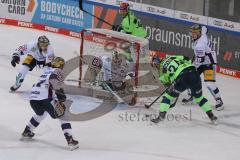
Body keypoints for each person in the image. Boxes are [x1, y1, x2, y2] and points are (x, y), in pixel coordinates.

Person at [21, 57, 79, 150]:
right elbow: (53, 82)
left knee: (41, 114)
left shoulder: (46, 72)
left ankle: (27, 130)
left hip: (33, 100)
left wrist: (59, 91)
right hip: (45, 99)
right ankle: (70, 140)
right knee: (63, 115)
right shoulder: (57, 72)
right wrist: (60, 94)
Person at [150, 55, 218, 124]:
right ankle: (211, 116)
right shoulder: (172, 57)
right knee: (199, 98)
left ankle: (161, 117)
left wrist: (173, 83)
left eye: (155, 65)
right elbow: (187, 59)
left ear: (156, 63)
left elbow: (167, 85)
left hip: (182, 78)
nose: (156, 67)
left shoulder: (161, 71)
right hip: (195, 74)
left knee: (167, 97)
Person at [182, 24, 223, 111]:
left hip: (209, 64)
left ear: (199, 33)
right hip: (201, 59)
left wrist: (191, 68)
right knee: (189, 77)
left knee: (209, 84)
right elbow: (205, 28)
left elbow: (200, 60)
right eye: (192, 33)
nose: (192, 35)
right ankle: (191, 96)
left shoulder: (200, 45)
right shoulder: (202, 32)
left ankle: (219, 101)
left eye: (194, 33)